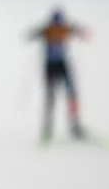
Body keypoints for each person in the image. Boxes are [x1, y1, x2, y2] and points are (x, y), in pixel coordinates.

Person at [29, 8, 89, 142]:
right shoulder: (48, 31)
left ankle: (74, 125)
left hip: (62, 65)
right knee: (51, 97)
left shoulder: (62, 29)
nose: (57, 27)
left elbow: (75, 30)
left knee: (71, 94)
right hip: (51, 66)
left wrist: (80, 31)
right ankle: (48, 128)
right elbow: (32, 34)